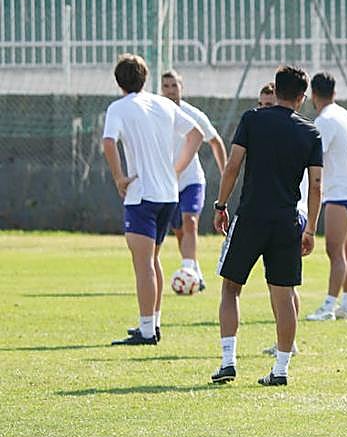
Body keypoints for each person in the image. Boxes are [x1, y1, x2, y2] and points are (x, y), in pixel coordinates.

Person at [210, 65, 323, 386]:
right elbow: (316, 186)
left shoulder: (252, 120)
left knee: (231, 288)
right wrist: (311, 228)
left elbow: (233, 165)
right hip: (287, 221)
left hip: (250, 217)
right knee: (284, 293)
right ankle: (281, 369)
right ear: (301, 98)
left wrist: (220, 205)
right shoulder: (310, 132)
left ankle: (228, 361)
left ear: (278, 89)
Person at [102, 54, 202, 346]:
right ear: (145, 78)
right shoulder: (163, 103)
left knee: (143, 262)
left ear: (119, 82)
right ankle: (152, 324)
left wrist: (119, 177)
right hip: (169, 195)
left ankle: (147, 331)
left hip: (141, 195)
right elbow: (195, 134)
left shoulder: (119, 107)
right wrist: (177, 169)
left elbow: (109, 142)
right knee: (153, 259)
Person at [305, 73, 347, 322]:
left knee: (335, 251)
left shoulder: (325, 121)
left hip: (339, 194)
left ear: (313, 94)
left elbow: (314, 157)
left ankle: (329, 306)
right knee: (345, 249)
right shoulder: (344, 114)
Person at [160, 69, 227, 291]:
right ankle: (194, 270)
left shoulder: (193, 114)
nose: (170, 91)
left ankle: (187, 270)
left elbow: (215, 141)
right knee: (179, 230)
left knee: (190, 222)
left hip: (191, 180)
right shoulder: (156, 113)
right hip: (168, 184)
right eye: (166, 86)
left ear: (182, 87)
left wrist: (226, 173)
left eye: (174, 86)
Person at [254, 83, 302, 359]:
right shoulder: (261, 133)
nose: (263, 111)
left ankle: (287, 343)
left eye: (269, 105)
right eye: (260, 105)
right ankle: (286, 341)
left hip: (292, 211)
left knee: (282, 284)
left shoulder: (293, 132)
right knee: (281, 284)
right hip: (274, 212)